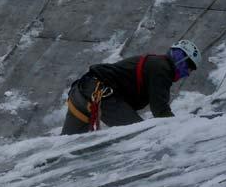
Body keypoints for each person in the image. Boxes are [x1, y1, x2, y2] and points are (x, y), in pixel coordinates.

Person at [62, 40, 202, 135]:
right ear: (182, 60)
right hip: (100, 95)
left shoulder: (157, 64)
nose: (188, 73)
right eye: (190, 68)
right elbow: (161, 111)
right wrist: (182, 131)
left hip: (81, 93)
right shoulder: (162, 69)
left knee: (64, 149)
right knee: (141, 135)